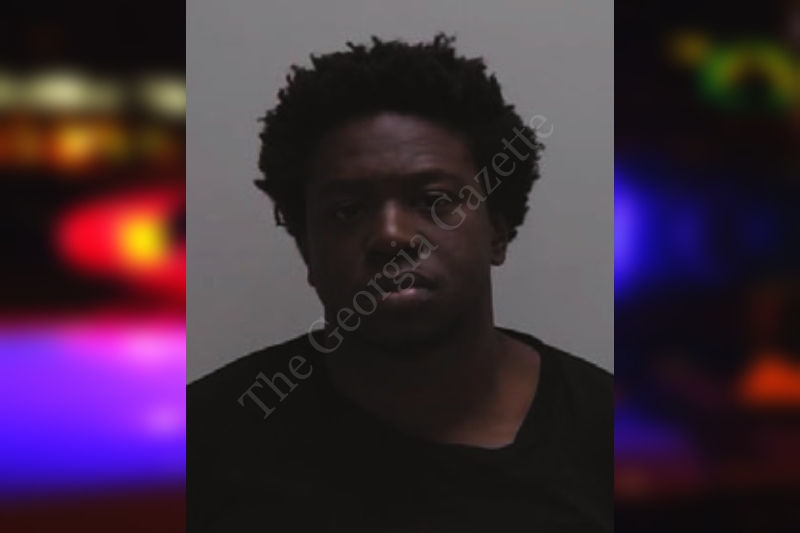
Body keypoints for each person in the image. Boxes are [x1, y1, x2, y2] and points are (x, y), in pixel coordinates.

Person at [187, 34, 612, 532]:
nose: (391, 236)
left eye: (434, 202)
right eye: (348, 210)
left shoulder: (613, 435)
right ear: (306, 247)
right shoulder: (205, 442)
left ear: (497, 231)